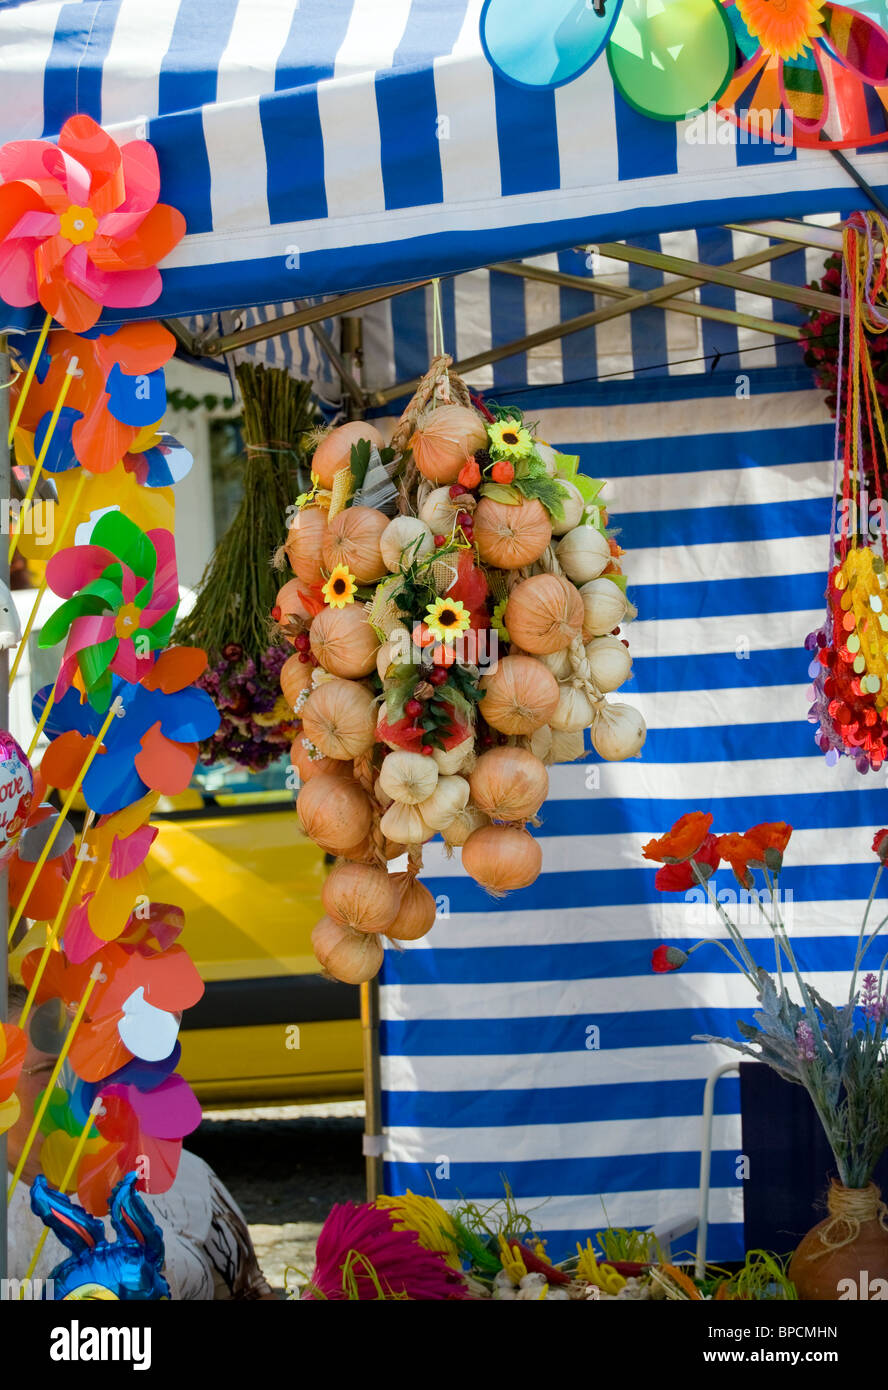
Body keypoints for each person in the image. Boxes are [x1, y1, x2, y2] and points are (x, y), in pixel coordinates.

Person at [5, 982, 275, 1299]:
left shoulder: (182, 1175)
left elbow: (250, 1293)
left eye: (90, 1058)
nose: (81, 1077)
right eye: (51, 1067)